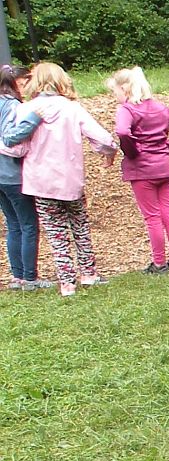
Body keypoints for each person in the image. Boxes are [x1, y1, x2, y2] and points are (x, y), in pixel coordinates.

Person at [0, 62, 116, 296]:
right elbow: (102, 137)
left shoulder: (26, 109)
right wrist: (108, 151)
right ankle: (89, 274)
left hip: (40, 183)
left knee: (55, 232)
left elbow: (16, 147)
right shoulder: (72, 108)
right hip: (70, 180)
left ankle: (67, 283)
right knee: (80, 226)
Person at [108, 66, 169, 274]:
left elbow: (122, 131)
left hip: (142, 171)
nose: (115, 96)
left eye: (115, 92)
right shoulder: (160, 108)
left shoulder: (127, 110)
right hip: (163, 167)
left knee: (152, 217)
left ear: (124, 89)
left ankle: (159, 263)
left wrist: (131, 151)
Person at [0, 63, 46, 290]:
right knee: (28, 224)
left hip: (1, 176)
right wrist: (34, 120)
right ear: (16, 82)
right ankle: (30, 278)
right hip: (12, 173)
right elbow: (10, 138)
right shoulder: (14, 106)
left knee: (13, 224)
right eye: (26, 81)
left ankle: (17, 276)